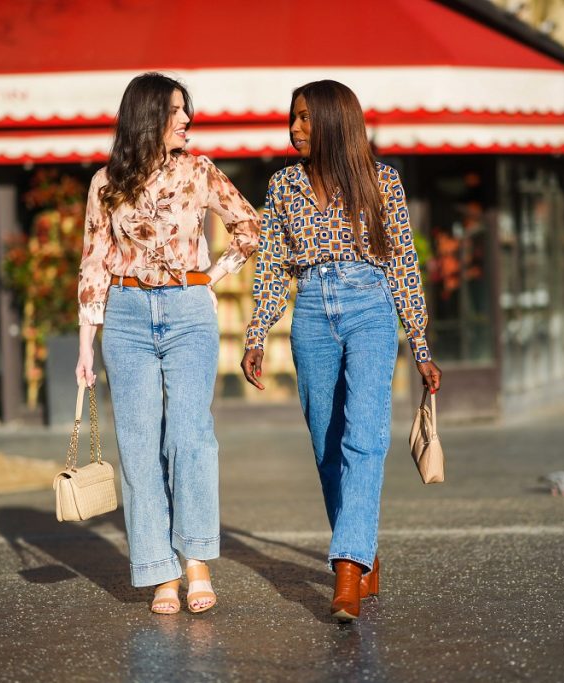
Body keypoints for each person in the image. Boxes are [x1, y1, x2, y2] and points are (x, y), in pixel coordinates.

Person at [240, 80, 442, 622]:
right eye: (293, 118)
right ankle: (363, 545)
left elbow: (403, 265)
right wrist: (258, 331)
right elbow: (274, 264)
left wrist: (420, 345)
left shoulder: (383, 182)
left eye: (305, 118)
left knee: (365, 436)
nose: (294, 128)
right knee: (327, 445)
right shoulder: (283, 184)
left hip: (369, 307)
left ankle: (347, 570)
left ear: (333, 121)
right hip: (309, 313)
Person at [76, 73, 260, 615]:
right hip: (126, 315)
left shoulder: (200, 171)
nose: (186, 120)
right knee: (136, 445)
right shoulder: (105, 183)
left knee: (189, 437)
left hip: (187, 312)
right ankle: (160, 571)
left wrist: (210, 276)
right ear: (147, 117)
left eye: (186, 110)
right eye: (176, 111)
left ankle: (196, 560)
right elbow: (94, 262)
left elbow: (247, 226)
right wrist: (87, 343)